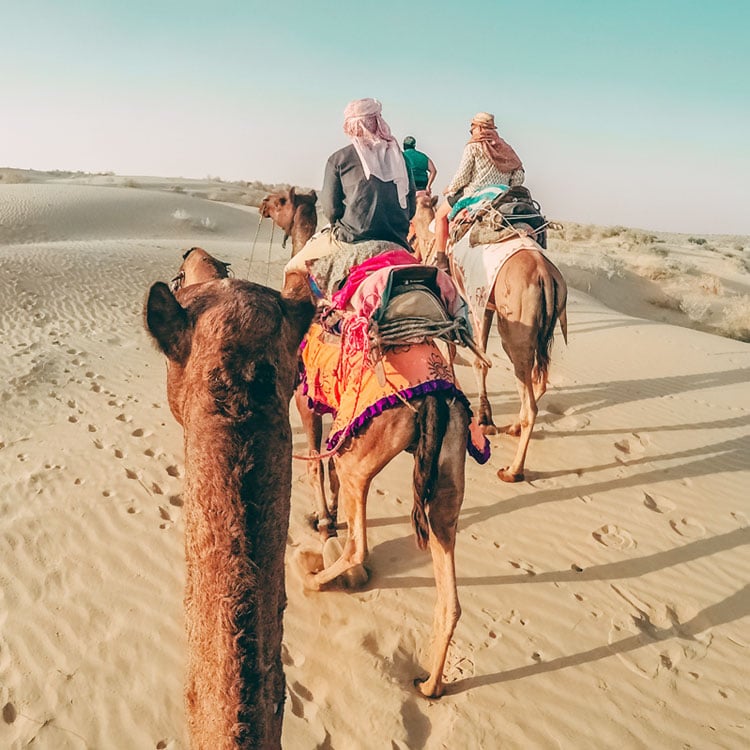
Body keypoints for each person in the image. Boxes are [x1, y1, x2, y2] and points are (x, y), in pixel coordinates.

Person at [285, 98, 416, 286]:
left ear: (351, 126)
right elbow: (411, 209)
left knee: (292, 268)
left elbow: (331, 210)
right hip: (397, 242)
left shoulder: (338, 159)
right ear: (378, 122)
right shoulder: (402, 160)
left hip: (351, 239)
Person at [434, 112, 525, 269]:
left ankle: (441, 259)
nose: (472, 132)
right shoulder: (506, 148)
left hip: (474, 193)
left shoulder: (474, 146)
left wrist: (450, 189)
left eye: (472, 128)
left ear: (479, 128)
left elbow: (462, 177)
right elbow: (519, 177)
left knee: (440, 216)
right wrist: (505, 184)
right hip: (502, 195)